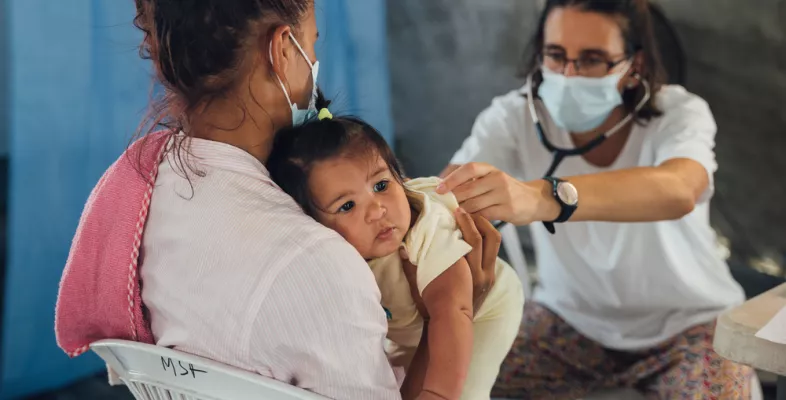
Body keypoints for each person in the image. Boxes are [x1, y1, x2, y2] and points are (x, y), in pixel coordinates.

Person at [56, 1, 503, 399]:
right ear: (283, 50)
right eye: (313, 43)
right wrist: (450, 312)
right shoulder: (316, 261)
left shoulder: (138, 187)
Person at [441, 0, 752, 398]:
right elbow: (446, 196)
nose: (568, 75)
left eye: (591, 60)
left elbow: (679, 189)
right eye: (555, 56)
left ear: (633, 65)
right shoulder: (513, 117)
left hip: (689, 326)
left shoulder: (679, 113)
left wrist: (546, 196)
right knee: (449, 370)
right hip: (567, 322)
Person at [266, 111, 525, 399]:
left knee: (463, 392)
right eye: (348, 205)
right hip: (413, 327)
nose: (377, 210)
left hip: (480, 312)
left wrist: (438, 394)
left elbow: (454, 311)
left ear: (399, 177)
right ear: (314, 223)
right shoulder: (330, 254)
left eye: (381, 186)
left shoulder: (426, 230)